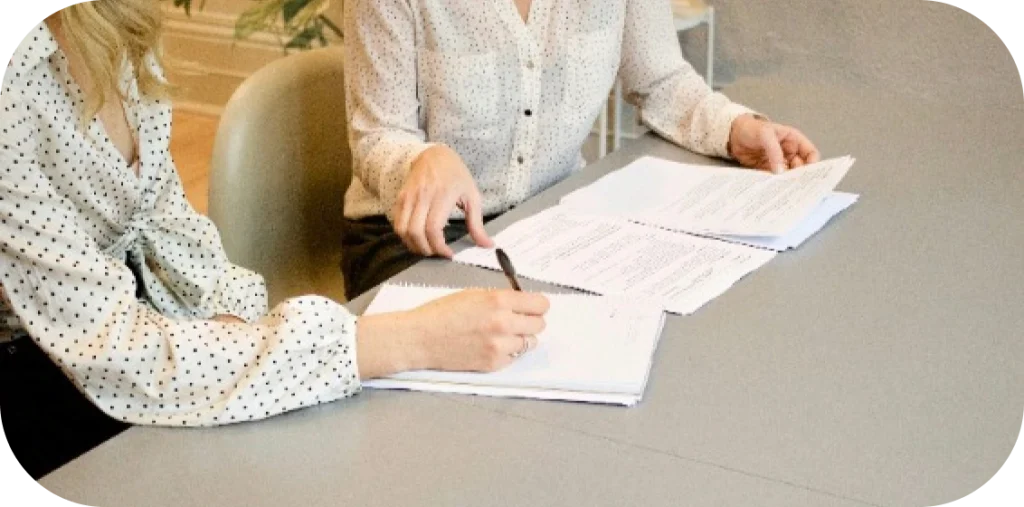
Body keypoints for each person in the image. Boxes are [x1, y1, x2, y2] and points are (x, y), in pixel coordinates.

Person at [1, 3, 549, 481]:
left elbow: (166, 224)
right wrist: (406, 342)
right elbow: (114, 351)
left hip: (132, 331)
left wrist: (232, 320)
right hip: (46, 372)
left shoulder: (117, 24)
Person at [340, 0, 822, 298]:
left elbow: (661, 80)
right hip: (414, 241)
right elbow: (377, 136)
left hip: (551, 227)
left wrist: (734, 127)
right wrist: (420, 161)